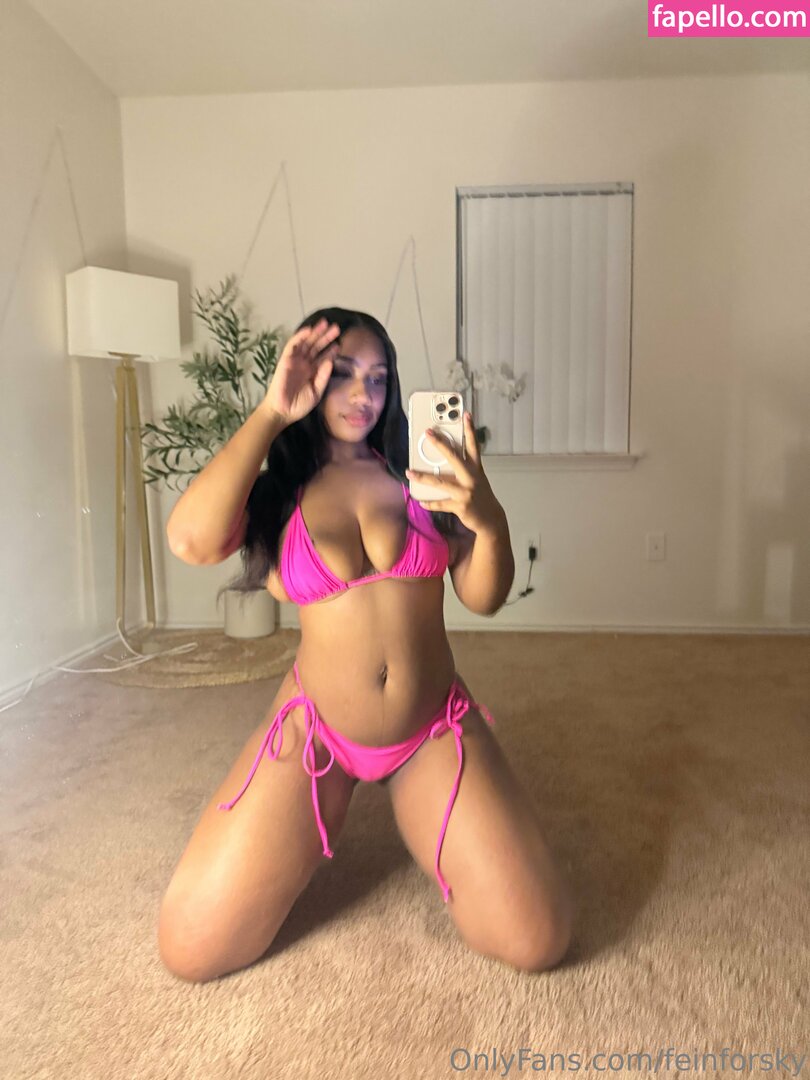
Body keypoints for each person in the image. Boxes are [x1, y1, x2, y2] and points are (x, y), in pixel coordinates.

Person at [157, 307, 573, 983]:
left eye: (379, 378)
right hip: (315, 730)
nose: (363, 394)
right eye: (343, 374)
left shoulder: (421, 477)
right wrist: (271, 413)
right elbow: (190, 540)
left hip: (430, 726)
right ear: (308, 380)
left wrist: (489, 520)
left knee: (538, 940)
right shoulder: (277, 492)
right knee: (191, 948)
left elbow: (483, 597)